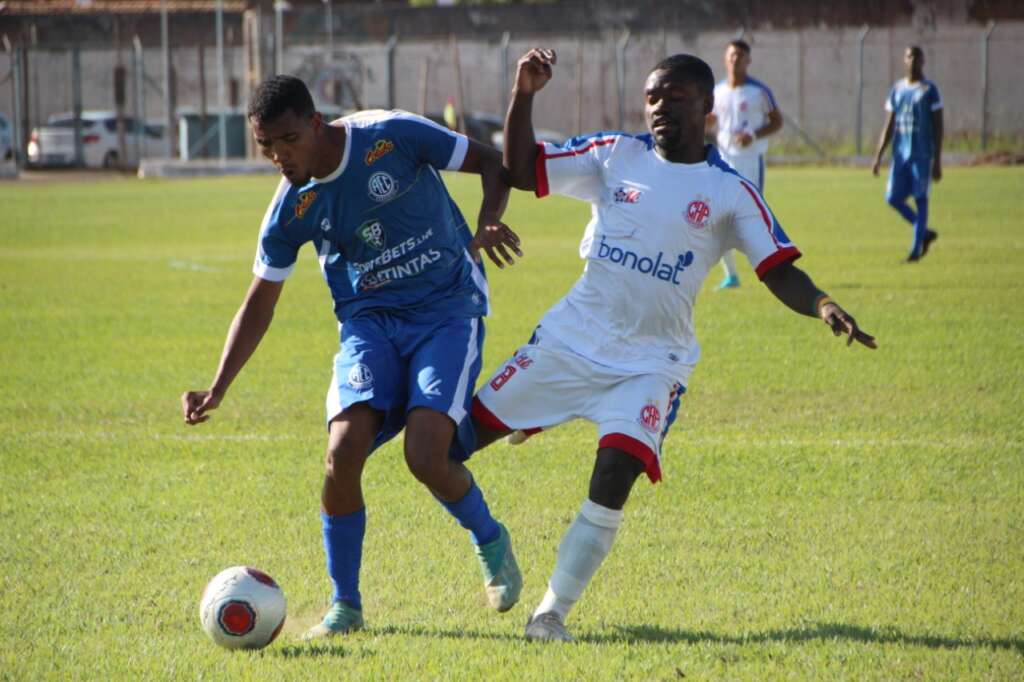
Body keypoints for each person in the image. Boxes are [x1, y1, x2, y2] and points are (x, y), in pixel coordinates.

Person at [469, 48, 877, 642]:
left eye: (676, 97)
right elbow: (522, 167)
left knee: (616, 473)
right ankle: (492, 536)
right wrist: (523, 94)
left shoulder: (729, 192)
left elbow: (778, 269)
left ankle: (551, 613)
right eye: (652, 97)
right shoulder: (614, 155)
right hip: (569, 342)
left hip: (651, 365)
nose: (660, 107)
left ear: (708, 107)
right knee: (449, 446)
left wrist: (822, 304)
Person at [180, 76, 525, 639]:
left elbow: (491, 160)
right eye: (266, 146)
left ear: (316, 123)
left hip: (446, 308)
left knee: (425, 455)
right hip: (368, 325)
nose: (279, 156)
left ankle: (490, 539)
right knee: (340, 454)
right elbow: (260, 301)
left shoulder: (391, 135)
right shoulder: (290, 209)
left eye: (288, 140)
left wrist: (488, 218)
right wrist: (218, 386)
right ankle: (346, 607)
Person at [706, 39, 783, 289]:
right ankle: (731, 275)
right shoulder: (717, 92)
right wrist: (706, 124)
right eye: (731, 55)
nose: (735, 59)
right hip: (723, 160)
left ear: (748, 60)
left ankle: (773, 267)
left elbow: (777, 122)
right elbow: (712, 122)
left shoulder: (758, 91)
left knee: (751, 216)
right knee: (717, 215)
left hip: (749, 160)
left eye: (740, 55)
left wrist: (754, 135)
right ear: (725, 58)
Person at [871, 45, 942, 262]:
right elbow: (889, 124)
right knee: (892, 198)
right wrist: (878, 156)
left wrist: (937, 160)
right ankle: (924, 232)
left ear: (923, 61)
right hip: (900, 154)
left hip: (922, 155)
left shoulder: (929, 90)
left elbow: (938, 126)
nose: (913, 61)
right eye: (909, 57)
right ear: (904, 60)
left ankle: (915, 251)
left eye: (917, 58)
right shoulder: (897, 89)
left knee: (921, 198)